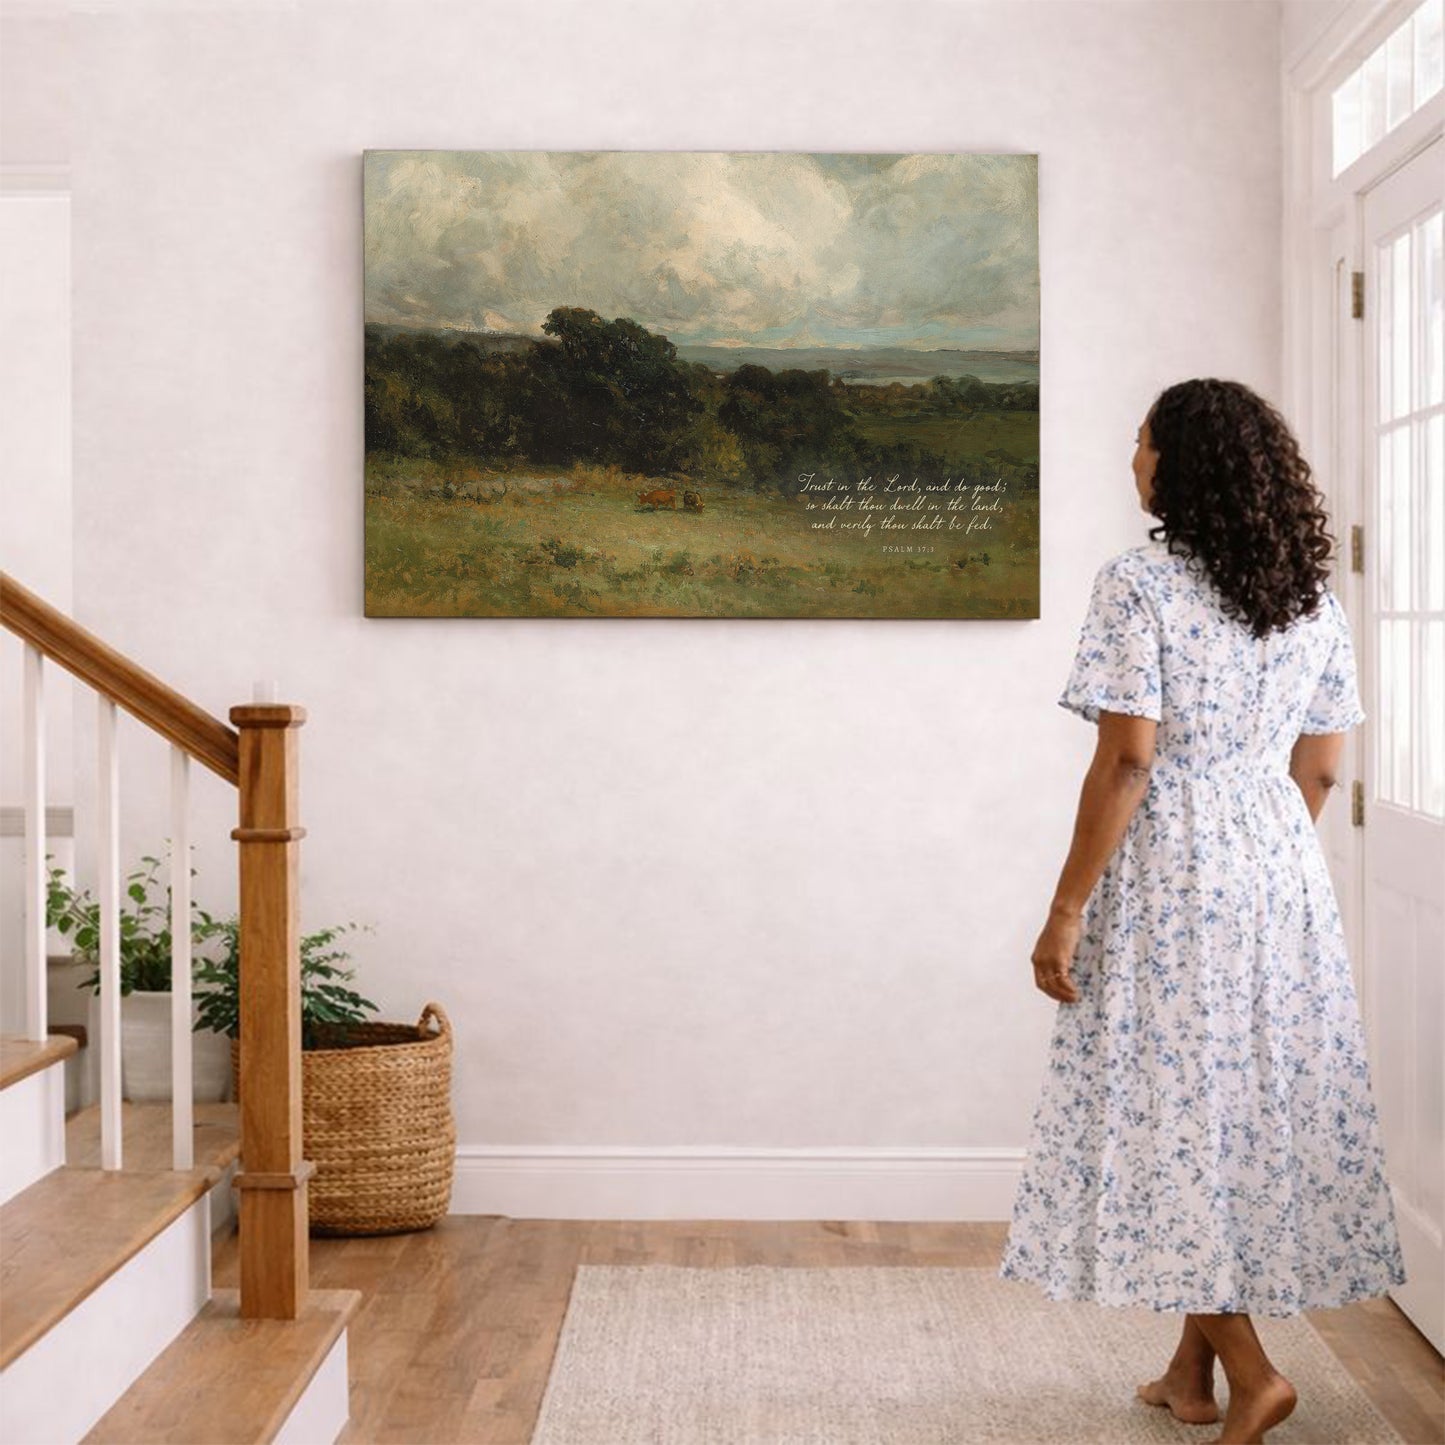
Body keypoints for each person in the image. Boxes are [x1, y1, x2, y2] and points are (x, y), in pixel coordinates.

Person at [997, 378, 1407, 1445]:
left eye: (1139, 441)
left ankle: (1255, 1371)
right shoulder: (1309, 594)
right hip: (1277, 865)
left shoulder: (1136, 583)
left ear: (1178, 464)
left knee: (1162, 1111)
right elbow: (1318, 768)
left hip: (1169, 866)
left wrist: (1064, 906)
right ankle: (1190, 1372)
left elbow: (1128, 758)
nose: (1130, 457)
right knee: (1221, 1111)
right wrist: (1263, 857)